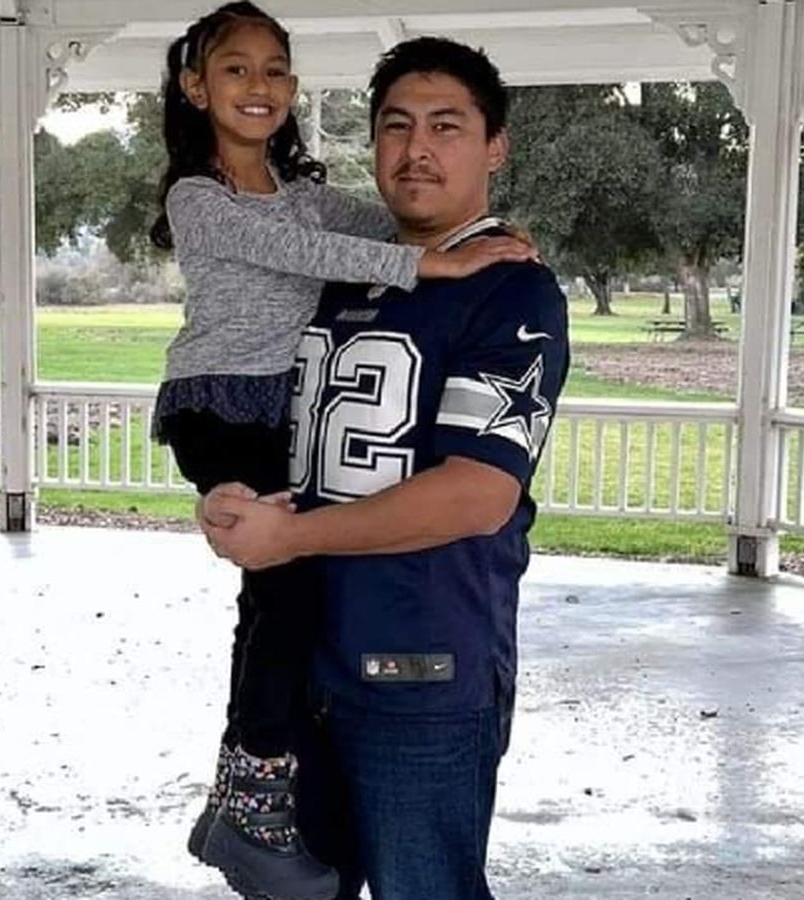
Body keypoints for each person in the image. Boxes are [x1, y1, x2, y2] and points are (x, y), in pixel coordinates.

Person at [148, 6, 537, 899]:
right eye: (397, 126)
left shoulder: (320, 203)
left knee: (279, 590)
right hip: (223, 409)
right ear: (196, 87)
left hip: (425, 659)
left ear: (494, 147)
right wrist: (430, 265)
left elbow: (379, 223)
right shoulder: (202, 198)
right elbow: (298, 249)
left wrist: (475, 244)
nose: (417, 151)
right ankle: (249, 785)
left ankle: (246, 788)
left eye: (275, 70)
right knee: (277, 595)